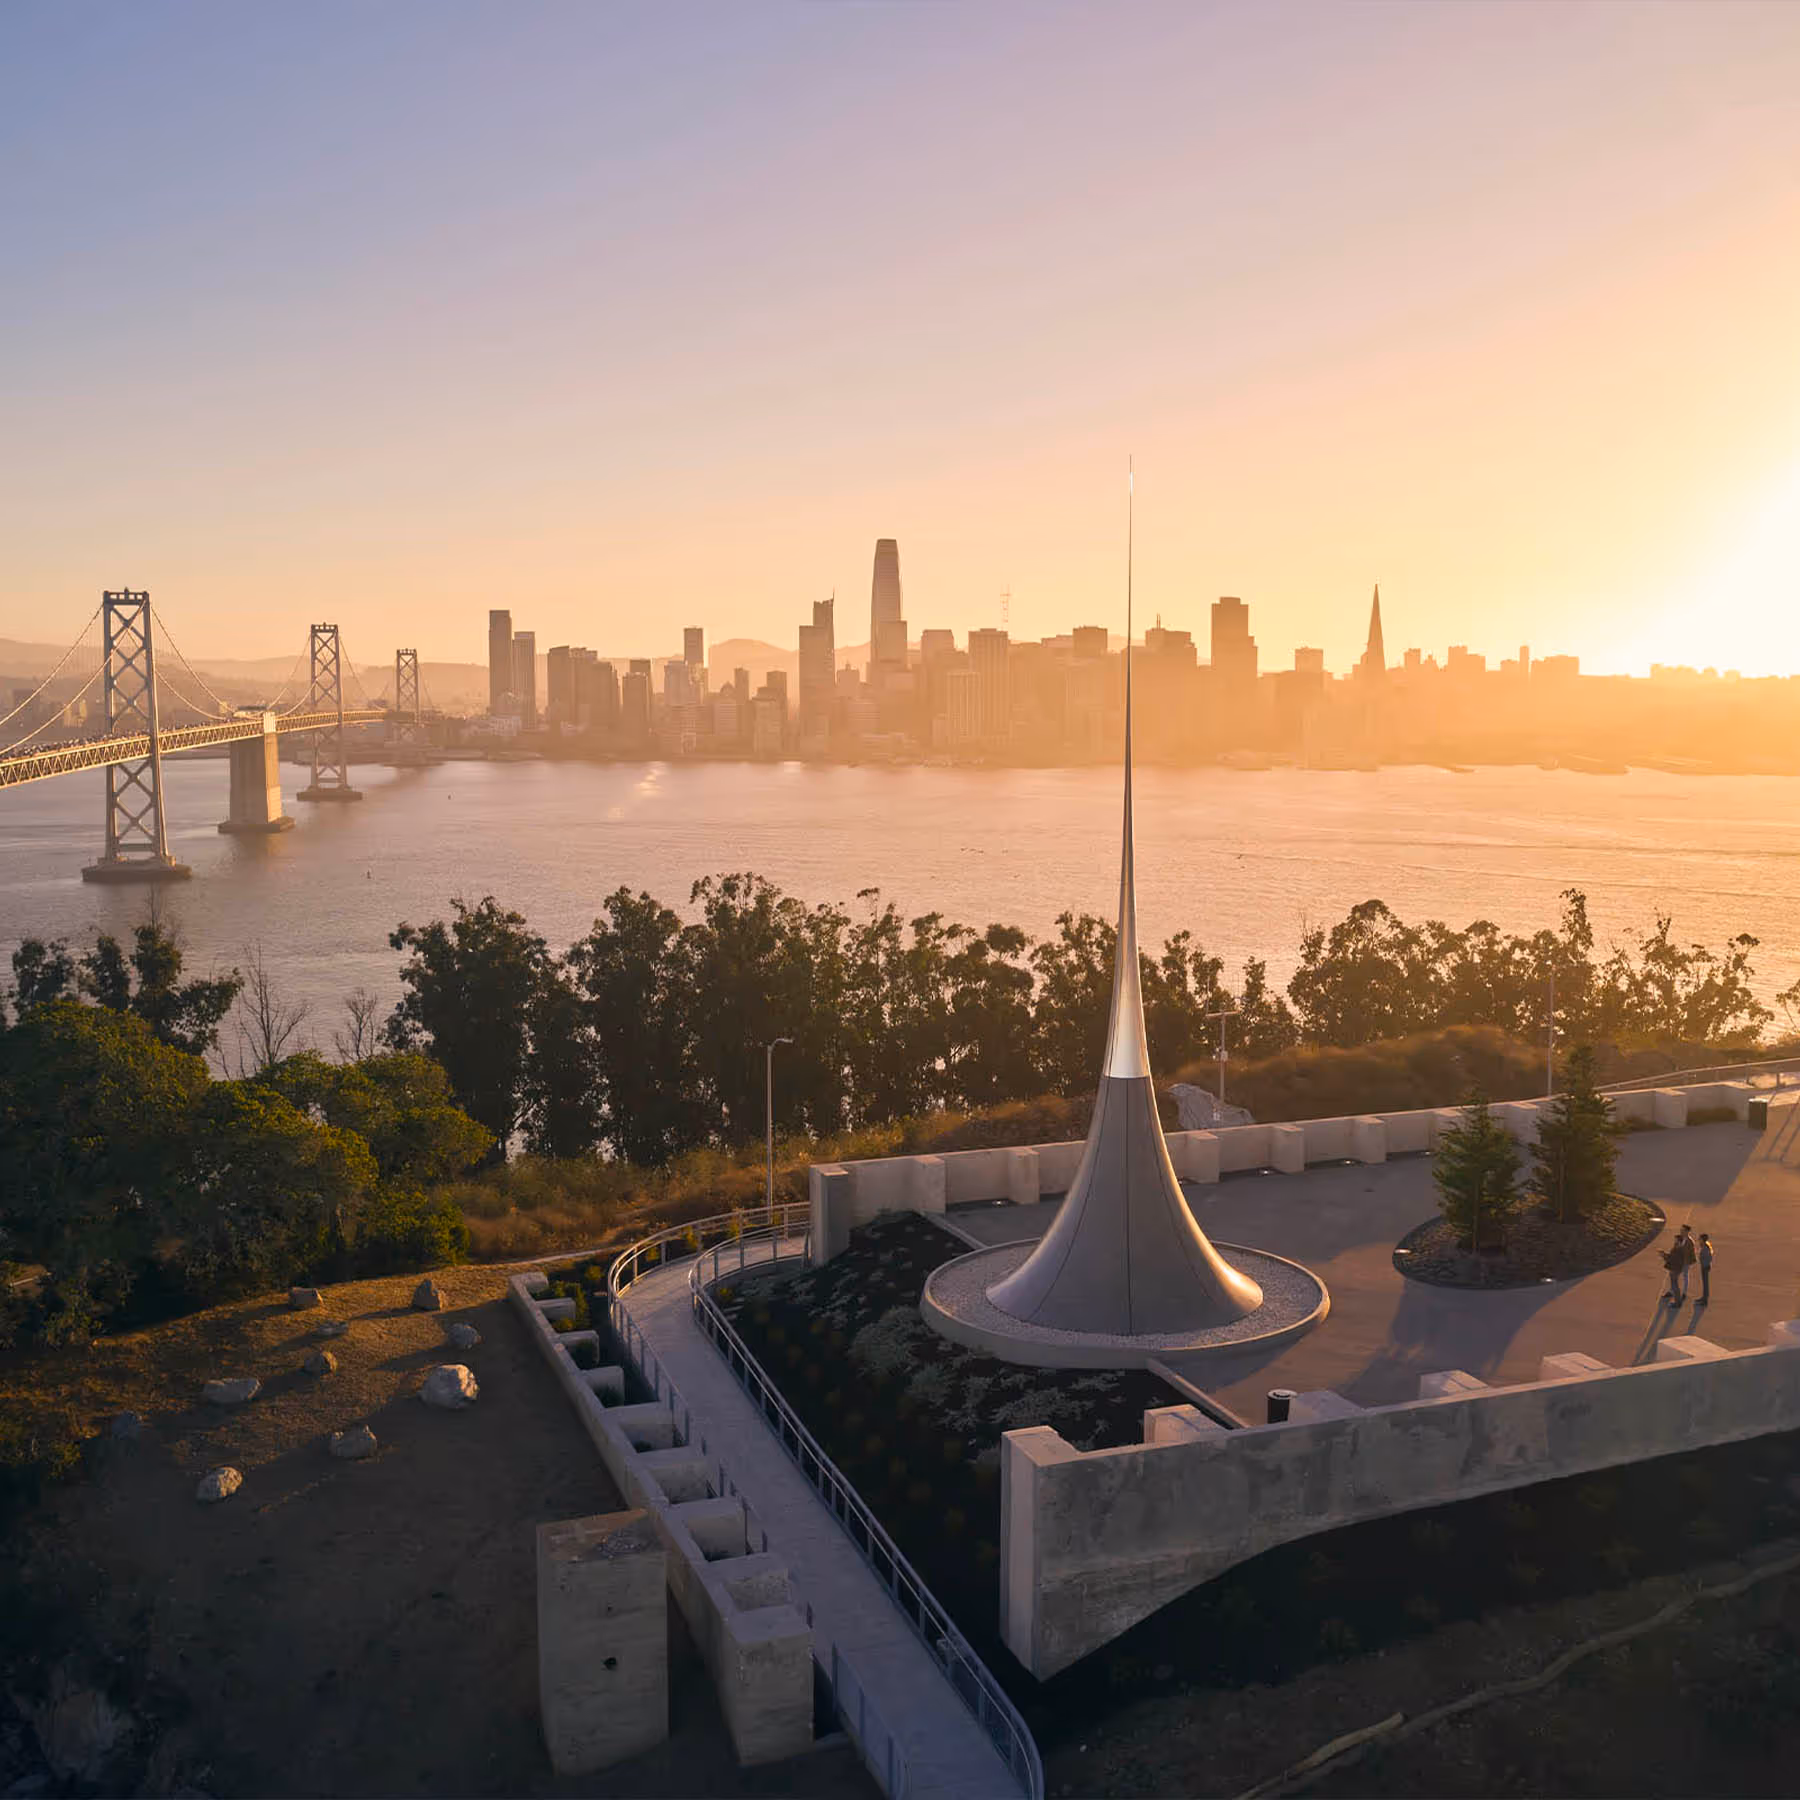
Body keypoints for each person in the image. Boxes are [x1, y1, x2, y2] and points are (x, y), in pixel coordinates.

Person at [1670, 1224, 1698, 1305]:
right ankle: (1672, 1291)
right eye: (1681, 1230)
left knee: (1684, 1276)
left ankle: (1684, 1293)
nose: (1681, 1231)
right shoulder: (1680, 1238)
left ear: (1687, 1231)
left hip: (1685, 1262)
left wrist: (1688, 1262)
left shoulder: (1690, 1241)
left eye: (1682, 1230)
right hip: (1679, 1261)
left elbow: (1691, 1254)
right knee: (1674, 1277)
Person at [1698, 1232, 1714, 1305]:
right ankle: (1703, 1297)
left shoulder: (1705, 1248)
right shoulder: (1704, 1246)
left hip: (1705, 1267)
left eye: (1700, 1239)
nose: (1698, 1240)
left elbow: (1709, 1258)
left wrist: (1704, 1263)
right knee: (1705, 1283)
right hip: (1704, 1266)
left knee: (1705, 1284)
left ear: (1703, 1240)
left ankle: (1705, 1300)